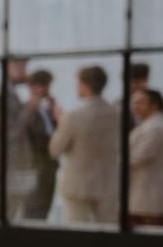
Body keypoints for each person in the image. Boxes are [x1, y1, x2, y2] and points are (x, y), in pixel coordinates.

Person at [49, 65, 121, 225]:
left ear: (84, 84)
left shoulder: (74, 116)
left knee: (77, 236)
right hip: (108, 184)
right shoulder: (116, 114)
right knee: (107, 234)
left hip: (78, 187)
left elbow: (55, 150)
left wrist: (61, 123)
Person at [0, 57, 35, 220]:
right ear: (7, 68)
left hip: (18, 167)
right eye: (20, 67)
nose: (25, 72)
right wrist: (29, 109)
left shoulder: (13, 96)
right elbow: (9, 131)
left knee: (15, 214)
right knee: (5, 216)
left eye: (25, 68)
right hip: (8, 167)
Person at [21, 69, 59, 220]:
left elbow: (54, 135)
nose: (47, 90)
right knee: (33, 210)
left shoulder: (46, 110)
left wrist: (53, 112)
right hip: (35, 168)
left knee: (44, 209)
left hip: (49, 167)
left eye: (48, 85)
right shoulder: (26, 111)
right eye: (43, 85)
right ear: (32, 87)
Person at [129, 87, 163, 227]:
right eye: (134, 102)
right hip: (144, 191)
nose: (135, 106)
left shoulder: (156, 127)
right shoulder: (148, 124)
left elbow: (138, 157)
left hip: (149, 193)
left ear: (154, 105)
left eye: (141, 102)